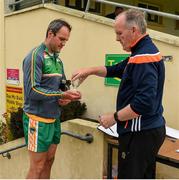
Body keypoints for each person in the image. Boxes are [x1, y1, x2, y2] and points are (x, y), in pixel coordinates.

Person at [72, 9, 166, 179]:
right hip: (147, 131)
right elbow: (115, 69)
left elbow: (144, 103)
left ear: (134, 31)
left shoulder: (143, 58)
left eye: (119, 33)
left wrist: (113, 118)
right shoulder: (140, 52)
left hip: (139, 134)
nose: (116, 38)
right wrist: (89, 70)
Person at [22, 19, 81, 179]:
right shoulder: (35, 56)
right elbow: (32, 90)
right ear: (50, 34)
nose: (64, 44)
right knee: (37, 166)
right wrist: (61, 95)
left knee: (49, 161)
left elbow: (61, 86)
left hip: (54, 119)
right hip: (37, 120)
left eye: (66, 40)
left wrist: (68, 96)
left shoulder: (58, 60)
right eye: (61, 39)